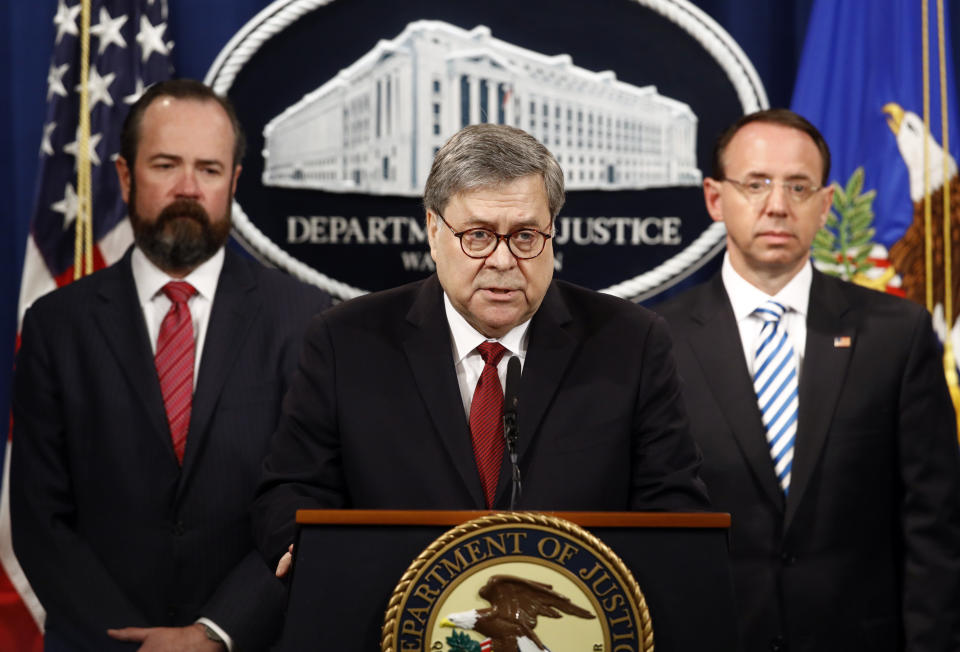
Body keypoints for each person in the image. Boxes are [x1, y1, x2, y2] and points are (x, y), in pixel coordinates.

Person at [252, 123, 710, 569]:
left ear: (553, 232)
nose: (503, 260)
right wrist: (303, 549)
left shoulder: (631, 343)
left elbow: (672, 509)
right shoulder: (345, 343)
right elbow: (293, 490)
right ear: (434, 231)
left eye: (526, 235)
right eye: (478, 236)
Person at [10, 79, 331, 652]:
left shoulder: (306, 320)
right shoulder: (55, 326)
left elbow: (310, 507)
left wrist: (214, 632)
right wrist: (131, 643)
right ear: (126, 176)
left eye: (209, 170)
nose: (188, 188)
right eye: (166, 165)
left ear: (233, 183)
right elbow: (40, 521)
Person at [657, 108, 960, 651]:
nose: (777, 205)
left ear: (825, 206)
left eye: (799, 186)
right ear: (714, 198)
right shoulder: (655, 342)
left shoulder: (898, 334)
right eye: (755, 184)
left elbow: (933, 527)